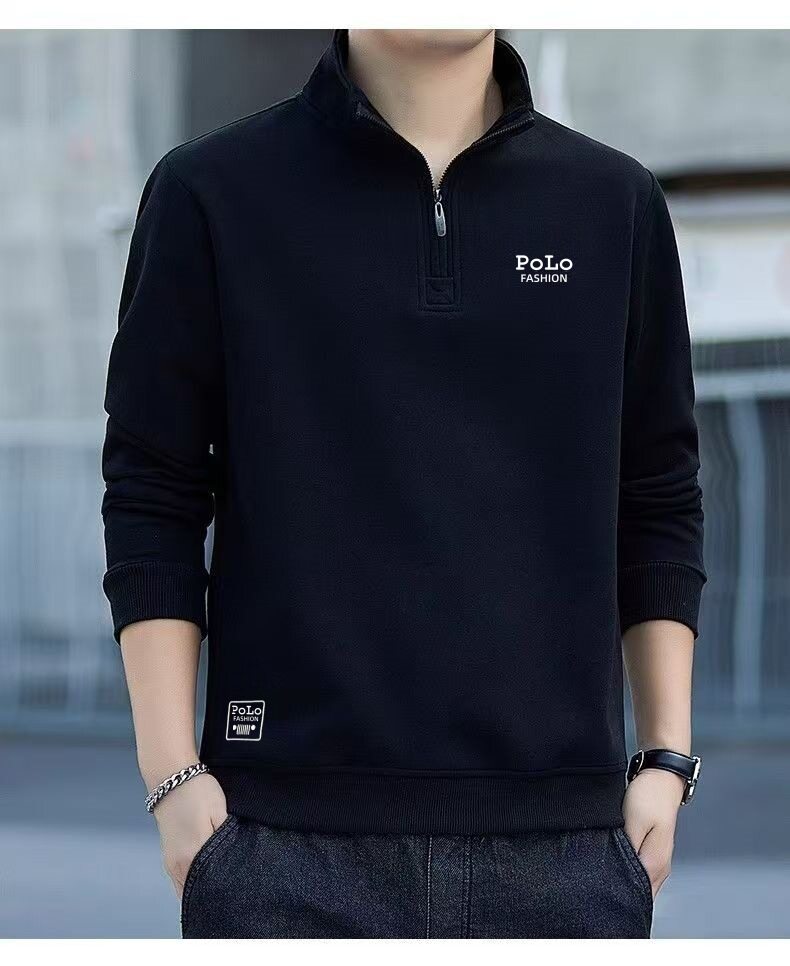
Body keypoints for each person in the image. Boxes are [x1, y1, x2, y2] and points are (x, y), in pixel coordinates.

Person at [101, 28, 706, 939]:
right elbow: (153, 488)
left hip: (566, 853)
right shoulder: (211, 193)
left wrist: (666, 759)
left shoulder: (613, 204)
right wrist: (172, 778)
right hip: (278, 845)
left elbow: (658, 489)